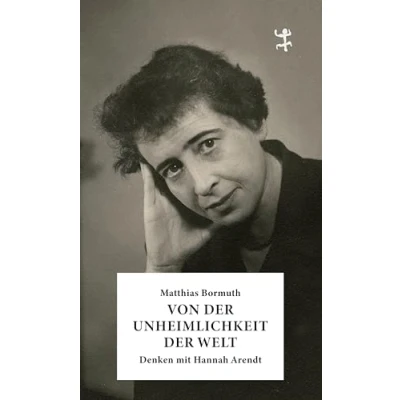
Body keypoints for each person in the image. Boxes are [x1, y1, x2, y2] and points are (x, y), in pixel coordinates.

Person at [100, 45, 321, 399]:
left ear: (254, 120)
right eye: (173, 168)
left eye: (207, 145)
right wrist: (163, 271)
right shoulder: (187, 251)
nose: (202, 185)